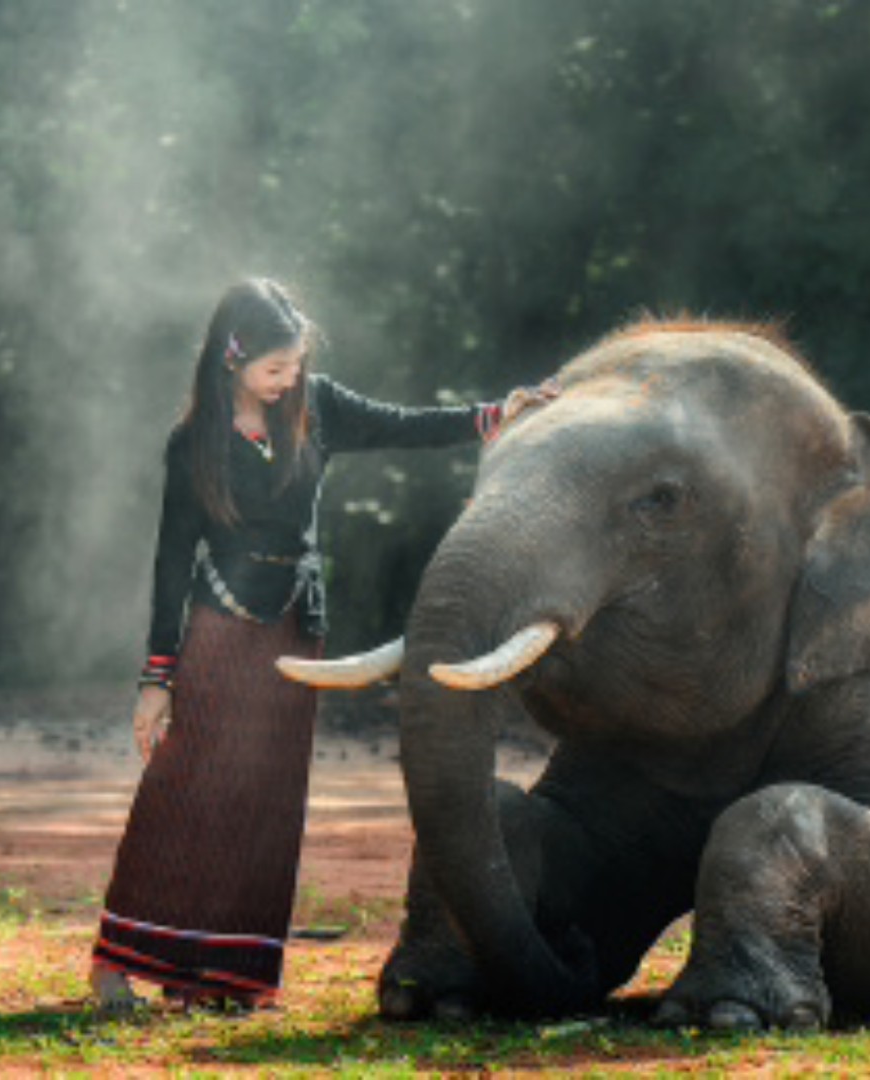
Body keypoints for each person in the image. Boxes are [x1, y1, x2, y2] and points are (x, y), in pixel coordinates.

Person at [89, 277, 556, 1010]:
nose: (289, 378)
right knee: (186, 790)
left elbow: (405, 424)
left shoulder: (318, 406)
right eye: (276, 367)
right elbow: (170, 562)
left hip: (296, 632)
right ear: (232, 359)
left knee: (269, 799)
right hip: (219, 633)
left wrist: (496, 413)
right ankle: (117, 964)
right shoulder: (193, 446)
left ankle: (224, 977)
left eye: (296, 364)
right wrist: (158, 676)